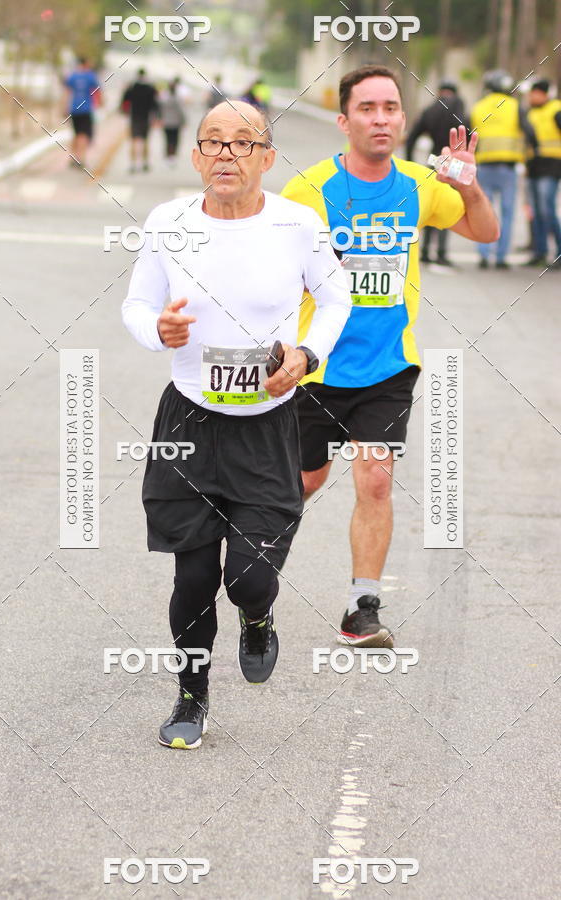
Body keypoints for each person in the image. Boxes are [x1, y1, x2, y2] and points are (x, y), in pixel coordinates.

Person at [122, 100, 351, 749]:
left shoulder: (296, 224)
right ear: (196, 157)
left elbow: (338, 297)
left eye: (242, 142)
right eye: (213, 142)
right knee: (191, 577)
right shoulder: (169, 223)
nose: (226, 153)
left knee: (247, 576)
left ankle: (257, 614)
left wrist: (308, 355)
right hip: (187, 420)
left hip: (269, 424)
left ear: (266, 158)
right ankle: (191, 699)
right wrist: (154, 330)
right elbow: (137, 304)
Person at [281, 65, 499, 649]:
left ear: (403, 119)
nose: (380, 118)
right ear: (344, 119)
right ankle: (255, 582)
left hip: (389, 365)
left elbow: (486, 232)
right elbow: (273, 271)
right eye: (368, 108)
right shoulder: (308, 191)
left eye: (390, 108)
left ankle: (362, 609)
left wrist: (469, 185)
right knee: (302, 482)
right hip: (319, 365)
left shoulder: (419, 185)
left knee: (375, 480)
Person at [470, 69, 537, 269]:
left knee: (483, 211)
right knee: (507, 213)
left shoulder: (478, 107)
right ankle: (500, 258)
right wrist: (532, 154)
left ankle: (483, 254)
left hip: (483, 167)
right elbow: (530, 132)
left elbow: (467, 132)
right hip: (508, 168)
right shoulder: (516, 106)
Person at [406, 80, 469, 265]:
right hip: (454, 160)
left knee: (430, 205)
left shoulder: (431, 109)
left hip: (434, 159)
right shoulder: (459, 106)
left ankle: (425, 251)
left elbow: (412, 138)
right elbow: (470, 133)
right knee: (448, 204)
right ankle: (441, 252)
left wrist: (410, 163)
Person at [524, 79, 561, 268]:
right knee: (537, 213)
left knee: (547, 211)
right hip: (534, 168)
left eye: (534, 93)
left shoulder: (556, 110)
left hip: (552, 167)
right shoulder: (531, 113)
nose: (531, 97)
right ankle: (540, 253)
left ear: (543, 93)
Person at [64, 58, 101, 167]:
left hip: (74, 109)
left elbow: (66, 92)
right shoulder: (90, 76)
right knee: (84, 135)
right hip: (86, 109)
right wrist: (100, 103)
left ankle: (73, 157)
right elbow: (98, 90)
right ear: (86, 64)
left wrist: (64, 107)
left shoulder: (72, 76)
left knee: (76, 134)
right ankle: (81, 158)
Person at [120, 68, 159, 174]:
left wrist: (124, 112)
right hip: (146, 117)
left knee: (133, 140)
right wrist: (156, 117)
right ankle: (145, 163)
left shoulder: (132, 87)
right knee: (146, 140)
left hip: (134, 116)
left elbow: (124, 101)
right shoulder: (150, 88)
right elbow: (155, 104)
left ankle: (132, 164)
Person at [158, 79, 186, 164]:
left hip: (166, 122)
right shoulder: (178, 98)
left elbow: (160, 110)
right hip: (176, 122)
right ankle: (173, 156)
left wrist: (160, 119)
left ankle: (167, 155)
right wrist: (184, 120)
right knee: (175, 139)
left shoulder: (163, 98)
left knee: (167, 139)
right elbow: (181, 111)